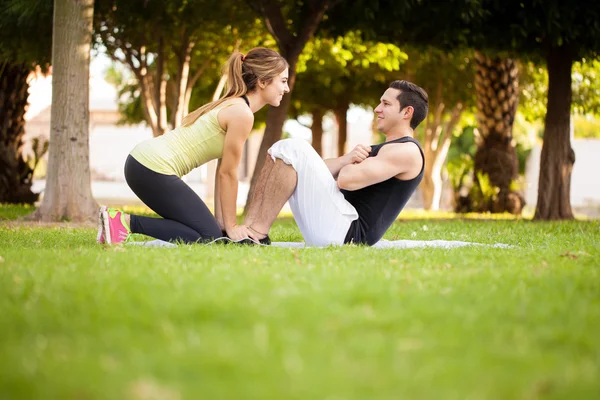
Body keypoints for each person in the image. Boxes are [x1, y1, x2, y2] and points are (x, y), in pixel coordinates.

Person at [97, 47, 289, 245]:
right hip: (152, 168)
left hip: (142, 164)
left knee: (211, 234)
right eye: (283, 81)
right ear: (263, 81)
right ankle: (124, 222)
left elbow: (222, 171)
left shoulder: (235, 106)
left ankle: (112, 226)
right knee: (208, 237)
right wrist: (232, 227)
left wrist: (222, 224)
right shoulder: (242, 114)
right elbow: (228, 174)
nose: (287, 88)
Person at [242, 80, 428, 246]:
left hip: (349, 235)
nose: (377, 108)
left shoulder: (406, 151)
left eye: (386, 104)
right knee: (281, 150)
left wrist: (348, 165)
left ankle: (257, 233)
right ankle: (248, 229)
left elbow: (347, 180)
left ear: (407, 112)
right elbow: (319, 171)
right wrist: (346, 159)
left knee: (292, 147)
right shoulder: (384, 149)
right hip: (337, 225)